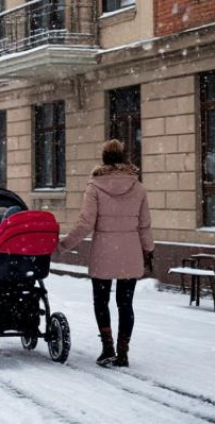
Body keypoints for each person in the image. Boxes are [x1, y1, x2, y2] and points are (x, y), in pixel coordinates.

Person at [58, 139, 154, 368]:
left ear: (104, 159)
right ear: (124, 159)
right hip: (130, 252)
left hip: (104, 251)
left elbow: (85, 223)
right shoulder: (138, 188)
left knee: (101, 301)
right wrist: (149, 249)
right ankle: (123, 352)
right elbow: (145, 225)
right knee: (126, 303)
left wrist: (63, 245)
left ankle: (108, 347)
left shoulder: (94, 186)